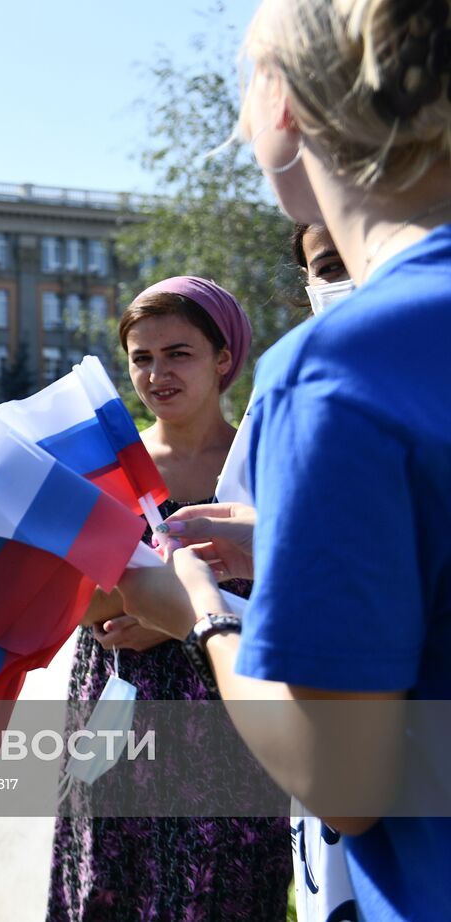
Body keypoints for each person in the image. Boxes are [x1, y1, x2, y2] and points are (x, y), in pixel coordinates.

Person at [119, 3, 451, 918]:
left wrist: (205, 614)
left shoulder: (340, 365)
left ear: (281, 108)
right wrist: (297, 543)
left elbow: (340, 774)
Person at [49, 278, 291, 921]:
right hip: (116, 712)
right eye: (141, 357)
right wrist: (135, 602)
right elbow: (64, 593)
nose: (156, 373)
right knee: (109, 881)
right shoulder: (102, 465)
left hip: (227, 714)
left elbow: (295, 583)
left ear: (223, 358)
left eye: (177, 353)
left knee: (222, 887)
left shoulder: (263, 462)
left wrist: (170, 618)